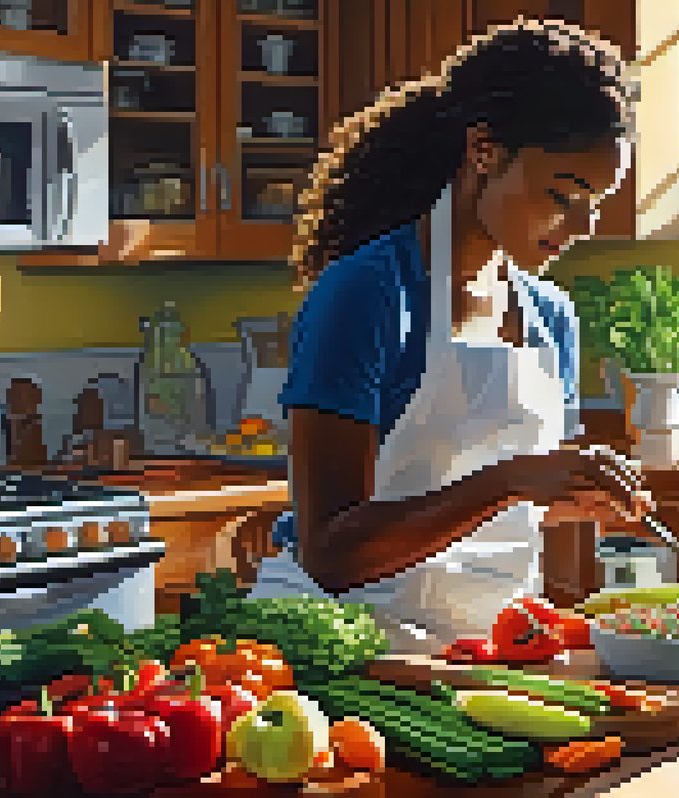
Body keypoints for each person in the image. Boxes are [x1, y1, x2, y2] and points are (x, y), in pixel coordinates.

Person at [250, 18, 649, 655]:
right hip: (340, 657)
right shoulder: (366, 293)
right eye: (563, 194)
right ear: (483, 152)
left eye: (597, 202)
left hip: (480, 656)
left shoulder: (552, 316)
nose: (580, 228)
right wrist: (513, 481)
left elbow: (510, 510)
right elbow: (331, 552)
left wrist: (575, 496)